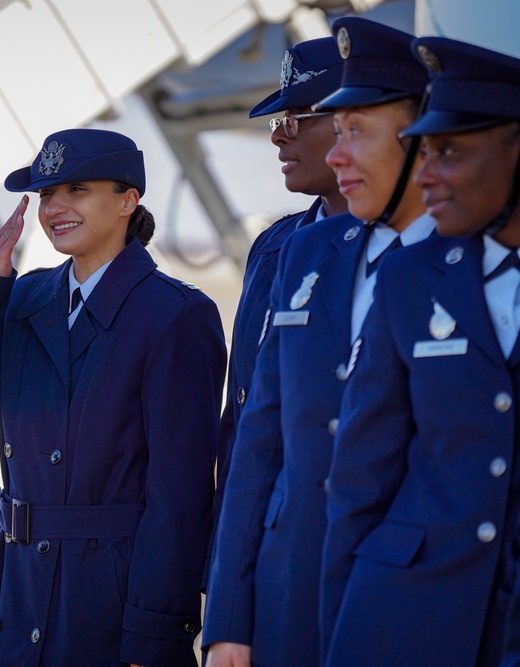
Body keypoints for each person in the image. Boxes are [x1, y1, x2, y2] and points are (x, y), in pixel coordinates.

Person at [0, 128, 226, 666]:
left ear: (129, 200)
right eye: (46, 194)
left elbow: (180, 496)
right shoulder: (25, 297)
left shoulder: (174, 316)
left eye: (76, 189)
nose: (55, 207)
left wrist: (155, 634)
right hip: (19, 588)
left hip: (108, 601)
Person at [203, 17, 431, 667]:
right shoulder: (288, 251)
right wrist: (228, 611)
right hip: (284, 589)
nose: (280, 138)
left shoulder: (459, 265)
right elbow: (251, 435)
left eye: (300, 117)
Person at [321, 37, 520, 666]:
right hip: (407, 619)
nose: (427, 173)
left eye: (451, 151)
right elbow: (361, 478)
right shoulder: (408, 279)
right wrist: (340, 636)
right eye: (424, 151)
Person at [212, 36, 347, 574]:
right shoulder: (273, 247)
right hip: (269, 543)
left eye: (297, 119)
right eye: (277, 122)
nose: (279, 138)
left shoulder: (415, 254)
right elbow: (242, 419)